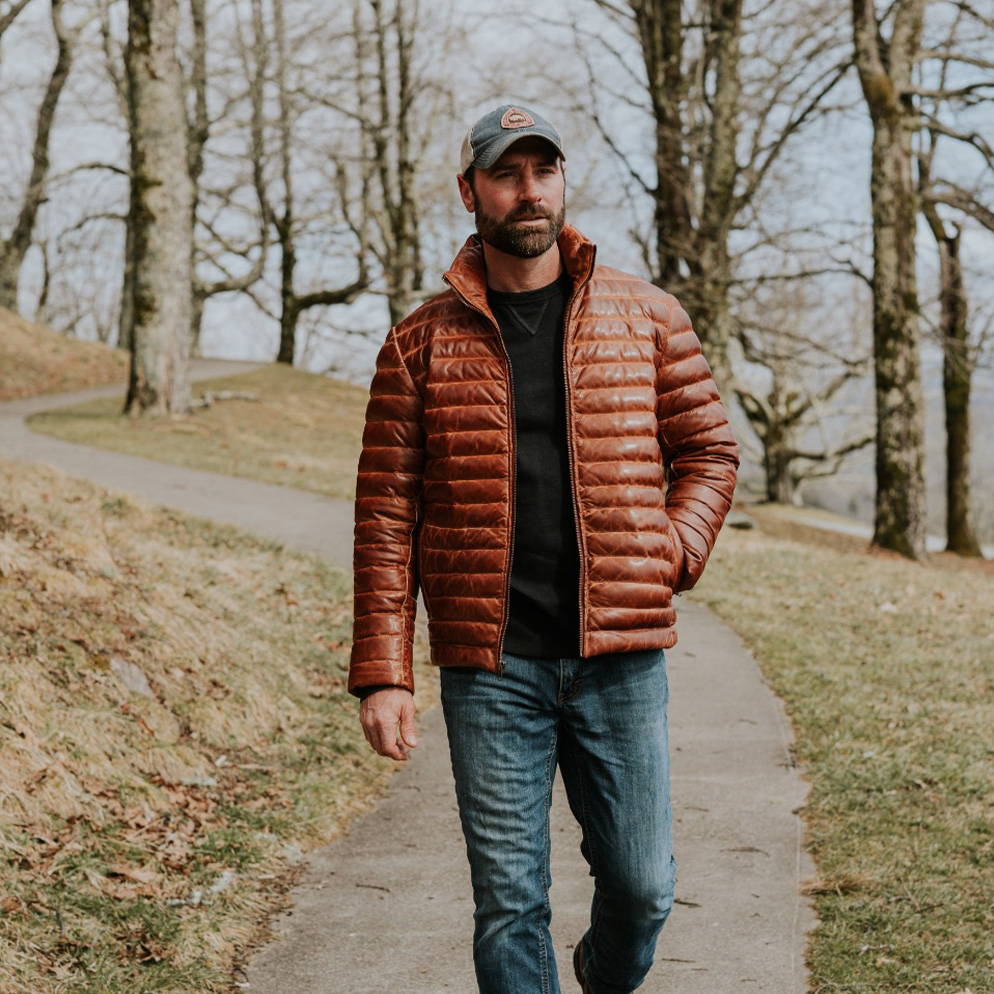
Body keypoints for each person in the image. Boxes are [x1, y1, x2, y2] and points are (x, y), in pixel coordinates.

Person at [348, 103, 739, 994]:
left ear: (564, 181)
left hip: (621, 662)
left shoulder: (646, 317)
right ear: (471, 191)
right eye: (506, 173)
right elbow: (383, 514)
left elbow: (710, 450)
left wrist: (672, 550)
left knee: (644, 889)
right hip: (492, 671)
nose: (529, 191)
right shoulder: (419, 342)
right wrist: (384, 670)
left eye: (543, 171)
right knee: (509, 904)